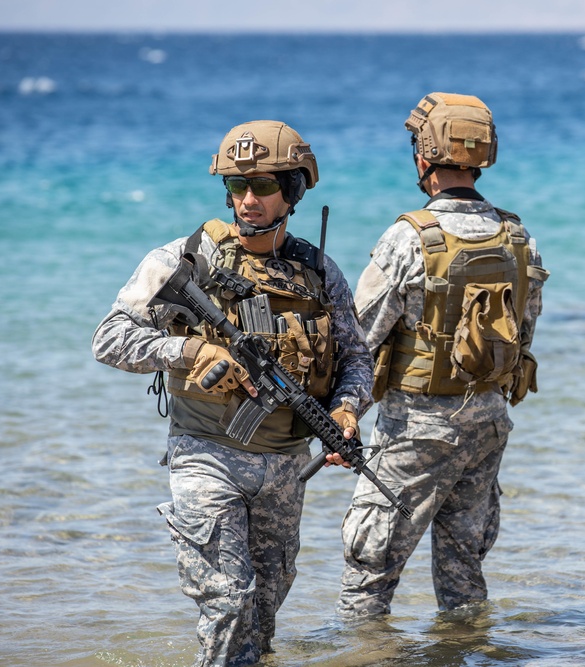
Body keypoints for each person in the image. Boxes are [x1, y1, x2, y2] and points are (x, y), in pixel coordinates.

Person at [91, 120, 373, 665]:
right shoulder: (185, 259)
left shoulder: (318, 272)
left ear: (293, 190)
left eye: (263, 187)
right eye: (235, 188)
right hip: (205, 455)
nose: (247, 201)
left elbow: (356, 358)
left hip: (285, 466)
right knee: (226, 601)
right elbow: (109, 338)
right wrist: (191, 352)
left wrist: (344, 410)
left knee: (263, 614)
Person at [337, 92, 549, 616]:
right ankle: (466, 653)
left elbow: (358, 340)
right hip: (490, 424)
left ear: (423, 158)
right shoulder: (518, 237)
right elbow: (525, 329)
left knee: (368, 577)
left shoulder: (408, 238)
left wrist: (341, 416)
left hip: (417, 428)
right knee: (463, 577)